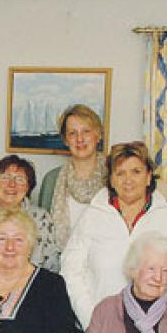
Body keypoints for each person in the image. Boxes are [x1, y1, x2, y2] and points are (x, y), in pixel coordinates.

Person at [61, 141, 167, 330]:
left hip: (157, 327)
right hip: (101, 326)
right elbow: (71, 273)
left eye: (136, 172)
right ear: (111, 180)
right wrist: (92, 320)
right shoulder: (92, 216)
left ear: (148, 177)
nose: (128, 179)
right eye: (120, 173)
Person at [37, 104, 108, 249]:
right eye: (72, 133)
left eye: (86, 131)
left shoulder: (114, 176)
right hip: (59, 265)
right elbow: (41, 233)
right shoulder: (51, 180)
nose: (79, 139)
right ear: (65, 140)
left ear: (98, 135)